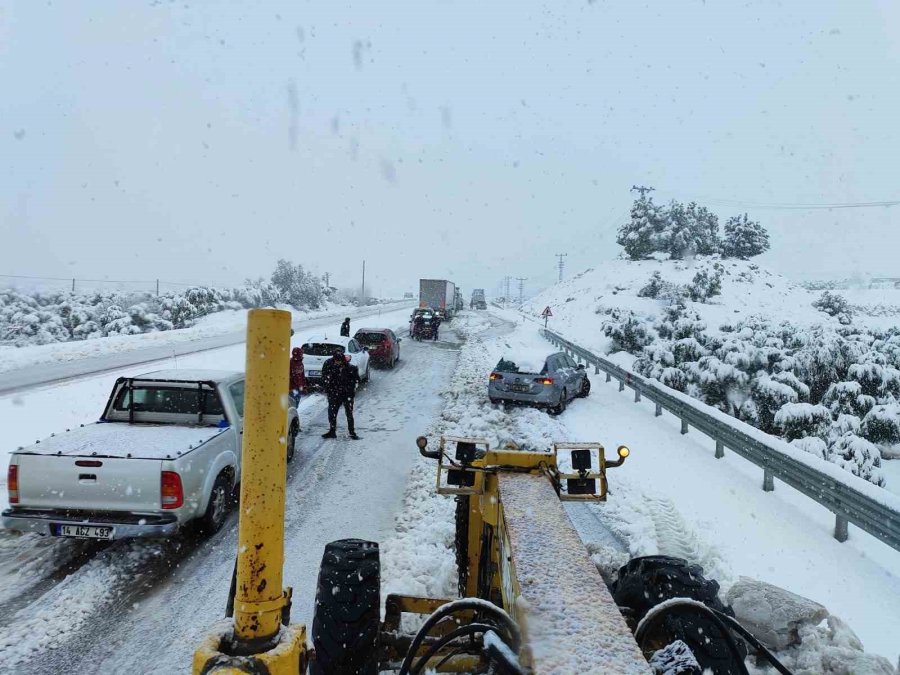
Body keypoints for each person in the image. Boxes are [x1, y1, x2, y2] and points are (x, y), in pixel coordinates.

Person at [321, 346, 359, 439]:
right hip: (334, 393)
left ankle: (352, 432)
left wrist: (351, 390)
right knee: (332, 413)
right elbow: (324, 377)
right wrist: (328, 387)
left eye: (339, 361)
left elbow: (356, 380)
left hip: (347, 394)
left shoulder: (350, 367)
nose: (337, 362)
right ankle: (332, 431)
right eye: (336, 360)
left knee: (349, 413)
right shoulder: (328, 364)